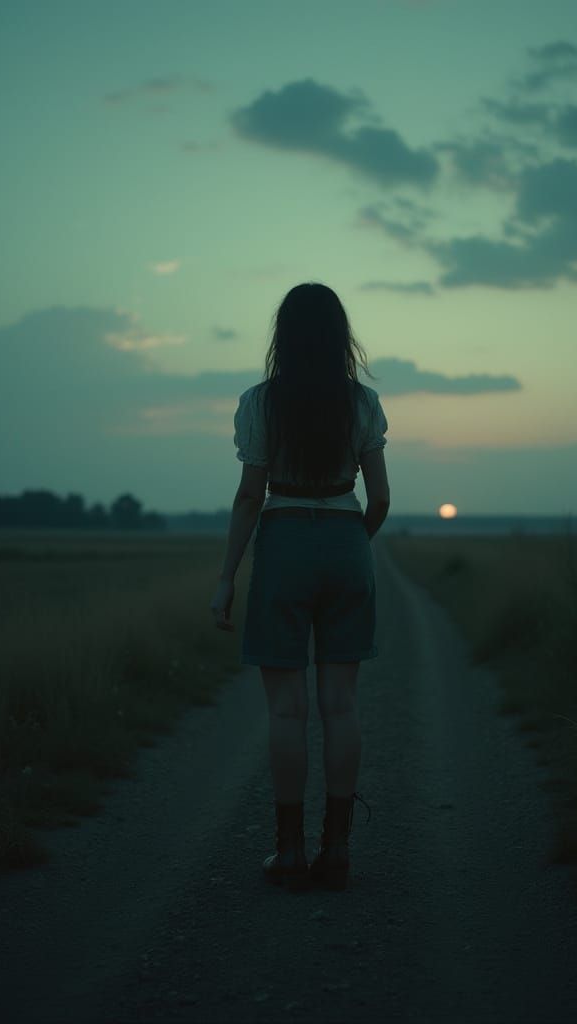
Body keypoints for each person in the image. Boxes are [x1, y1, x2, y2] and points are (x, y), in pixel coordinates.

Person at [210, 282, 390, 892]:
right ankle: (335, 850)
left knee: (287, 709)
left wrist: (226, 579)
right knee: (341, 705)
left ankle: (288, 853)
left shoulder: (260, 404)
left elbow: (248, 496)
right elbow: (382, 497)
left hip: (284, 542)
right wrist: (350, 545)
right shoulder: (361, 403)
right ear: (340, 335)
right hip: (346, 540)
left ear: (282, 336)